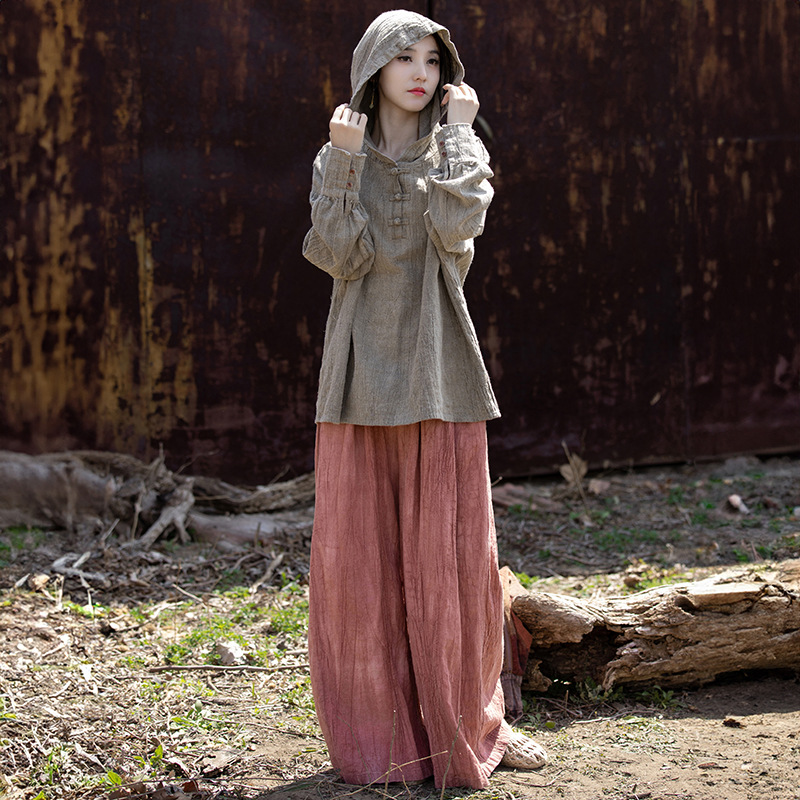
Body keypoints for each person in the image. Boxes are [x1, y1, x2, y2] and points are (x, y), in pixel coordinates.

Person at [301, 9, 547, 789]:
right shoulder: (337, 154)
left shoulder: (453, 150)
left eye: (432, 60)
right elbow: (339, 256)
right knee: (360, 565)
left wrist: (463, 136)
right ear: (371, 68)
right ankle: (377, 739)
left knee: (454, 561)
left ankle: (471, 724)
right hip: (359, 379)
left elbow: (455, 232)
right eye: (402, 56)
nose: (419, 71)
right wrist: (345, 163)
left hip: (440, 372)